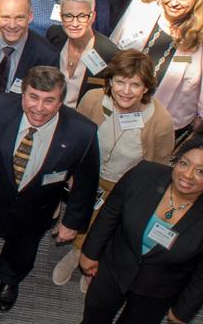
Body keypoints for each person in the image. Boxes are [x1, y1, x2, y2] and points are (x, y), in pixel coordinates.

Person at [66, 123, 203, 324]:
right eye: (184, 163)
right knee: (97, 304)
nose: (188, 175)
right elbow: (110, 213)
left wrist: (184, 309)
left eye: (201, 171)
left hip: (159, 286)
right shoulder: (143, 174)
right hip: (116, 263)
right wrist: (90, 252)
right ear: (176, 160)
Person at [0, 66, 100, 312]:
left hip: (36, 209)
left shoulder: (82, 132)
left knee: (22, 249)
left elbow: (87, 182)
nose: (39, 108)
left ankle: (9, 279)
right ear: (22, 95)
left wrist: (72, 222)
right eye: (33, 97)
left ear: (61, 102)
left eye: (49, 100)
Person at [49, 49, 175, 292]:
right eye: (120, 82)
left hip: (124, 187)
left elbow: (159, 166)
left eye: (135, 85)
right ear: (110, 81)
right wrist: (72, 173)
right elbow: (74, 139)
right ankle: (76, 254)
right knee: (82, 218)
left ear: (146, 88)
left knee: (106, 228)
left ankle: (90, 261)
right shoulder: (92, 100)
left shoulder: (161, 121)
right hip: (89, 177)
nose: (126, 91)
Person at [110, 0, 203, 133]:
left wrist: (202, 123)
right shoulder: (142, 4)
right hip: (118, 106)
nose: (174, 2)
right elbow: (114, 45)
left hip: (164, 122)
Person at [44, 0, 121, 107]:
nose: (75, 23)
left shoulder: (109, 54)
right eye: (68, 16)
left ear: (92, 17)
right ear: (61, 16)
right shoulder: (53, 36)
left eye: (82, 16)